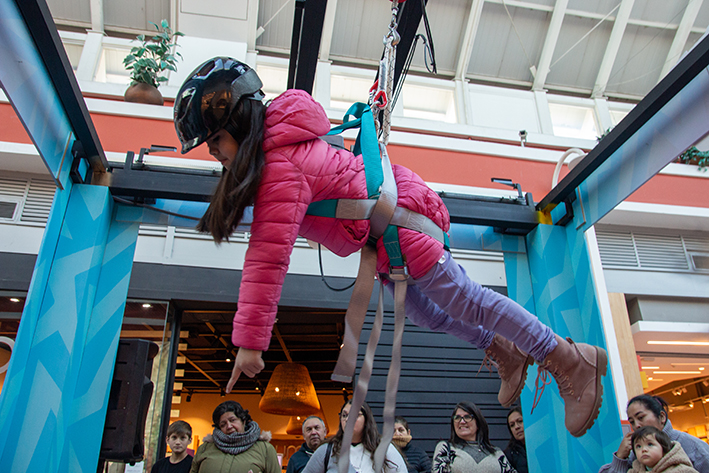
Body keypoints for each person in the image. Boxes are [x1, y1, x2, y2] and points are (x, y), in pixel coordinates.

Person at [173, 56, 608, 438]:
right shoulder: (285, 147)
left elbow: (268, 257)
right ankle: (503, 348)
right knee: (426, 312)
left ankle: (568, 359)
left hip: (404, 226)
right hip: (388, 239)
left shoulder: (280, 167)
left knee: (467, 300)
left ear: (238, 121)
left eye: (215, 142)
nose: (215, 154)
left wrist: (250, 342)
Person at [598, 394, 709, 473]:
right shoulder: (636, 453)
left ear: (661, 417)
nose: (637, 425)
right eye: (632, 422)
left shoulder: (693, 447)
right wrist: (620, 458)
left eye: (641, 417)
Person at [302, 400, 407, 473]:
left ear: (366, 420)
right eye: (344, 415)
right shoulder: (327, 451)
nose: (348, 419)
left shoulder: (386, 449)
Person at [190, 400, 279, 473]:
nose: (229, 426)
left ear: (243, 421)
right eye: (223, 424)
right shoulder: (205, 448)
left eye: (232, 420)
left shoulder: (265, 449)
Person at [432, 401, 516, 473]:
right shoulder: (446, 449)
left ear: (478, 423)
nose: (462, 421)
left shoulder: (497, 453)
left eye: (467, 417)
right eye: (457, 418)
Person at [628, 426, 698, 473]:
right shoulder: (634, 471)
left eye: (650, 444)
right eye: (638, 446)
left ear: (663, 448)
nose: (644, 450)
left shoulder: (681, 470)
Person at [503, 407, 527, 473]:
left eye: (520, 421)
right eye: (512, 425)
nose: (517, 427)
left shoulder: (543, 445)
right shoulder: (509, 455)